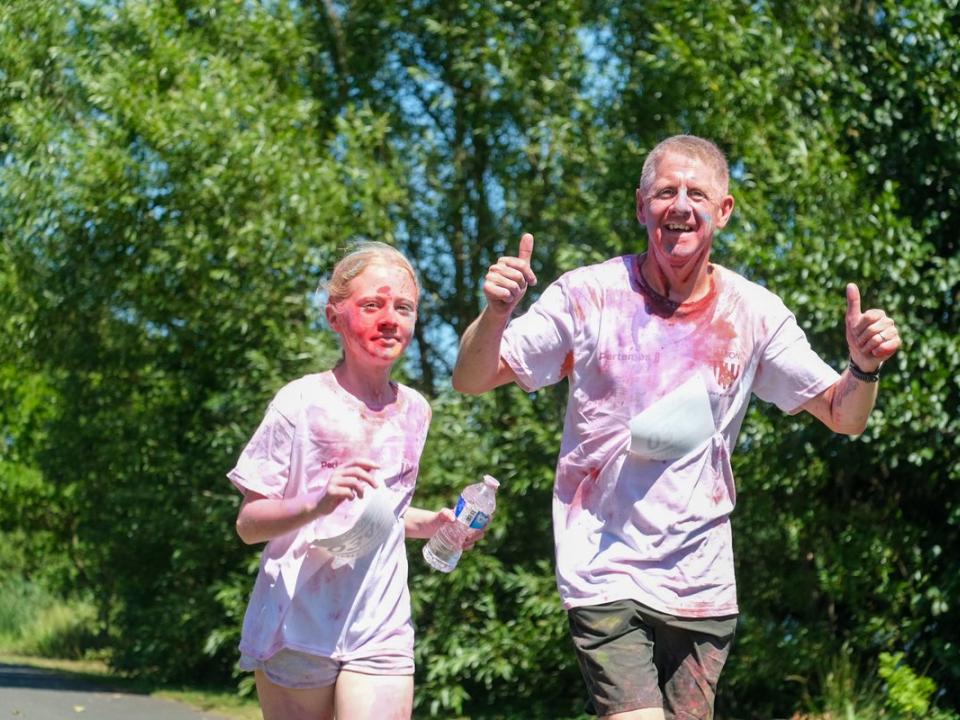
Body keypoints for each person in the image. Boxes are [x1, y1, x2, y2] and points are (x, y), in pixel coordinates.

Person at [451, 135, 902, 720]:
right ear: (642, 207)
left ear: (724, 210)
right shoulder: (588, 295)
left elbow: (845, 415)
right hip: (604, 566)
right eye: (666, 192)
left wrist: (863, 367)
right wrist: (495, 313)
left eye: (697, 194)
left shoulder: (754, 312)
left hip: (701, 581)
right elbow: (471, 377)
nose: (681, 206)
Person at [228, 242, 462, 720]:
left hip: (381, 624)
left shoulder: (416, 411)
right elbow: (249, 524)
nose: (389, 319)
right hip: (298, 623)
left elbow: (378, 515)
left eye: (403, 308)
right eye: (371, 305)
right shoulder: (299, 402)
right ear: (334, 317)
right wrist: (315, 503)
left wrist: (433, 524)